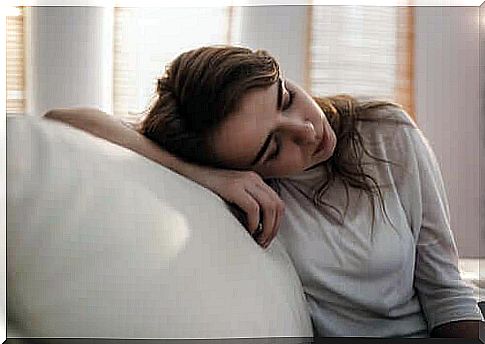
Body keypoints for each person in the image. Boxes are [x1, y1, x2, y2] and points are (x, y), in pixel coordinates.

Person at [44, 45, 484, 338]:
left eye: (286, 97)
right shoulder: (243, 194)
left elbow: (445, 286)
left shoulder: (385, 131)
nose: (308, 130)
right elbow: (63, 119)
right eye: (273, 148)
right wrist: (207, 176)